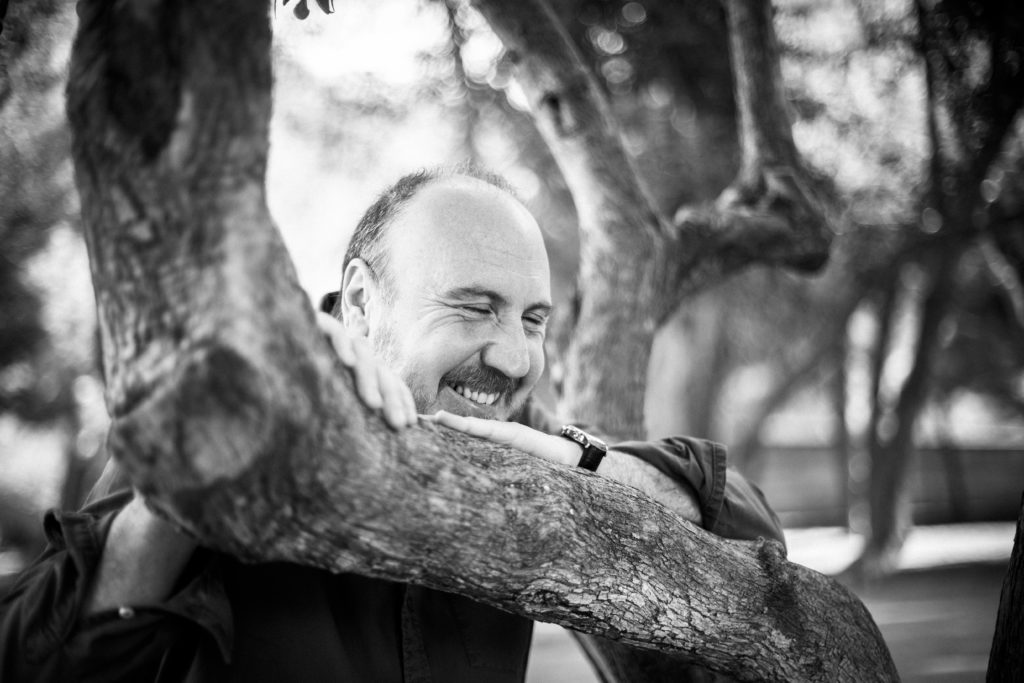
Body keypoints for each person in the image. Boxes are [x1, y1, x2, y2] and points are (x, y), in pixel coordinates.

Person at [1, 166, 784, 682]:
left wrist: (587, 464)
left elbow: (750, 528)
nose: (514, 356)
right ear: (361, 300)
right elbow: (30, 654)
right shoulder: (221, 404)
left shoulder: (513, 433)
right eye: (475, 307)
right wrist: (200, 471)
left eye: (533, 318)